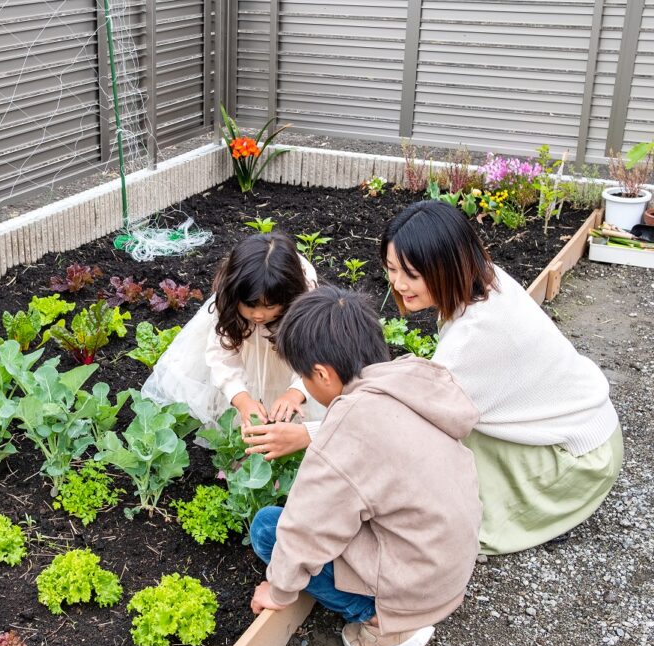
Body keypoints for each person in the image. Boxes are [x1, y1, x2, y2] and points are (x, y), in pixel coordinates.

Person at [245, 200, 623, 554]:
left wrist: (308, 434)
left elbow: (404, 423)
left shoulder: (474, 339)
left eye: (411, 274)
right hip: (577, 429)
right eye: (392, 269)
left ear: (447, 265)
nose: (398, 284)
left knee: (445, 526)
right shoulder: (485, 281)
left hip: (576, 461)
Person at [249, 285, 481, 646]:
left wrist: (278, 589)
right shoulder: (411, 382)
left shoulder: (348, 426)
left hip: (413, 590)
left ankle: (381, 623)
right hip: (450, 561)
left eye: (303, 378)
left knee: (269, 530)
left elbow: (307, 526)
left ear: (322, 374)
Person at [141, 231, 324, 427]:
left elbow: (312, 356)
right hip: (242, 337)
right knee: (240, 408)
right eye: (250, 306)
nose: (258, 315)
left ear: (288, 298)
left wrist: (295, 393)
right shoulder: (230, 305)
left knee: (296, 410)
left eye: (269, 307)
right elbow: (222, 357)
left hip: (289, 344)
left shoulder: (303, 304)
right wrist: (242, 399)